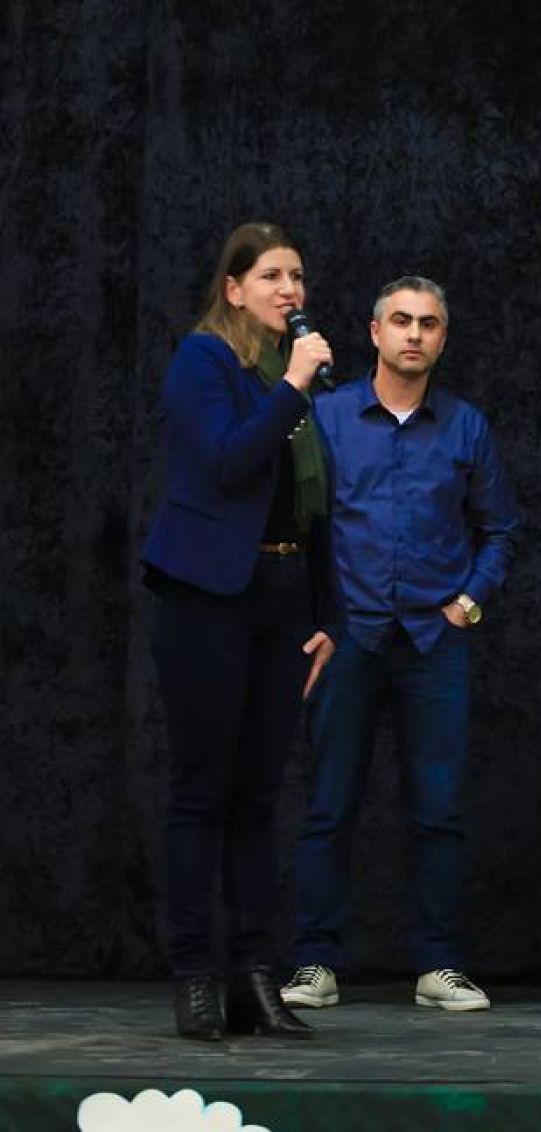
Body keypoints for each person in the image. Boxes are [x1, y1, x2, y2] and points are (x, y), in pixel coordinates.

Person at [281, 277, 519, 1014]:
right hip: (348, 635)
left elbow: (500, 530)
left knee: (438, 811)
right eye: (402, 320)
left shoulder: (466, 426)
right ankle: (314, 961)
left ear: (443, 338)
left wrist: (468, 605)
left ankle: (437, 964)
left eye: (429, 323)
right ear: (375, 331)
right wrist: (313, 616)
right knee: (328, 804)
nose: (415, 334)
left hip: (432, 642)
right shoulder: (326, 417)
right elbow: (296, 523)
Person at [141, 221, 339, 1040]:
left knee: (259, 797)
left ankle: (256, 976)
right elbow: (227, 464)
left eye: (297, 276)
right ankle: (196, 974)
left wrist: (327, 616)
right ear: (234, 289)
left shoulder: (289, 377)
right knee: (204, 791)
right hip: (207, 595)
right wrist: (293, 384)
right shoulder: (206, 361)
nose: (290, 290)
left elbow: (313, 502)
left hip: (283, 597)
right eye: (271, 276)